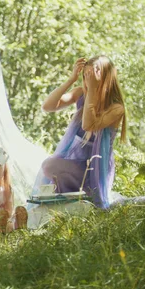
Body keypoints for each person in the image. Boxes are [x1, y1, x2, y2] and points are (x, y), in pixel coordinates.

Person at [38, 55, 127, 208]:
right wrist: (71, 80)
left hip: (94, 170)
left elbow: (88, 125)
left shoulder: (116, 108)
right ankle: (70, 196)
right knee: (48, 166)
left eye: (92, 76)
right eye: (86, 76)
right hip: (75, 164)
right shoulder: (81, 94)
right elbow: (47, 106)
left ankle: (88, 195)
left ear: (106, 78)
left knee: (50, 165)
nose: (88, 81)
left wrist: (92, 89)